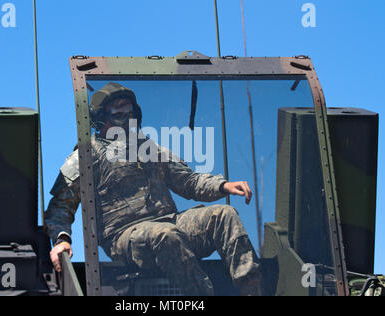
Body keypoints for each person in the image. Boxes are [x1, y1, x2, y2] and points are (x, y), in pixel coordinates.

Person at [44, 82, 261, 296]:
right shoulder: (88, 154)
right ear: (101, 119)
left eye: (131, 114)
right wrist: (62, 240)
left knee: (224, 215)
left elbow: (189, 181)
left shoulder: (149, 148)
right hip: (125, 236)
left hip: (169, 222)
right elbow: (61, 203)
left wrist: (223, 186)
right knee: (165, 235)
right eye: (119, 115)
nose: (127, 121)